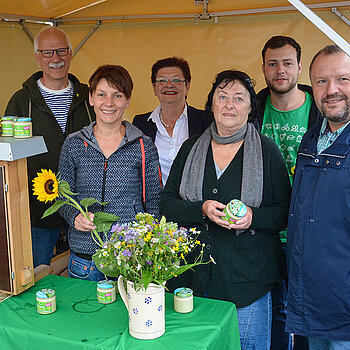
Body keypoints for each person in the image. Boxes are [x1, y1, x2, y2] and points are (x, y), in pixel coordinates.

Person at [160, 70, 291, 349]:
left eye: (239, 98)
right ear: (212, 105)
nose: (229, 105)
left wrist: (253, 217)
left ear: (250, 108)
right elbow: (168, 204)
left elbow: (284, 212)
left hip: (247, 285)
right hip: (192, 280)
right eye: (222, 96)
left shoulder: (267, 151)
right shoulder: (191, 148)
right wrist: (202, 209)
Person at [58, 65, 162, 282]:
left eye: (117, 96)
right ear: (91, 98)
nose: (109, 103)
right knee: (82, 316)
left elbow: (154, 200)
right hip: (84, 258)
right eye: (102, 95)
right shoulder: (74, 143)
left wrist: (147, 247)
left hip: (129, 256)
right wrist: (74, 217)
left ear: (127, 100)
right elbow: (62, 194)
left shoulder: (143, 145)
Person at [5, 27, 94, 268]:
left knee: (86, 277)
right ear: (37, 57)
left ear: (71, 53)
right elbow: (7, 155)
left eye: (61, 50)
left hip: (84, 209)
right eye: (47, 52)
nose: (55, 58)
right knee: (37, 275)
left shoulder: (91, 98)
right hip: (38, 213)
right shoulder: (21, 101)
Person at [257, 35, 321, 350]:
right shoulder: (253, 109)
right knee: (274, 310)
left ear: (299, 67)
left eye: (286, 63)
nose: (279, 70)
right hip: (263, 229)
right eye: (272, 64)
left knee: (309, 311)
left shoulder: (321, 109)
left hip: (309, 231)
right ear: (264, 68)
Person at [286, 45, 350, 350]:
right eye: (321, 81)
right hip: (313, 298)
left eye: (343, 79)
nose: (332, 90)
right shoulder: (311, 137)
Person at [132, 56, 211, 185]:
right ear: (154, 88)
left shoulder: (206, 121)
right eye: (162, 81)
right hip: (153, 202)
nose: (169, 85)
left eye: (176, 80)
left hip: (191, 202)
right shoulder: (140, 124)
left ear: (187, 86)